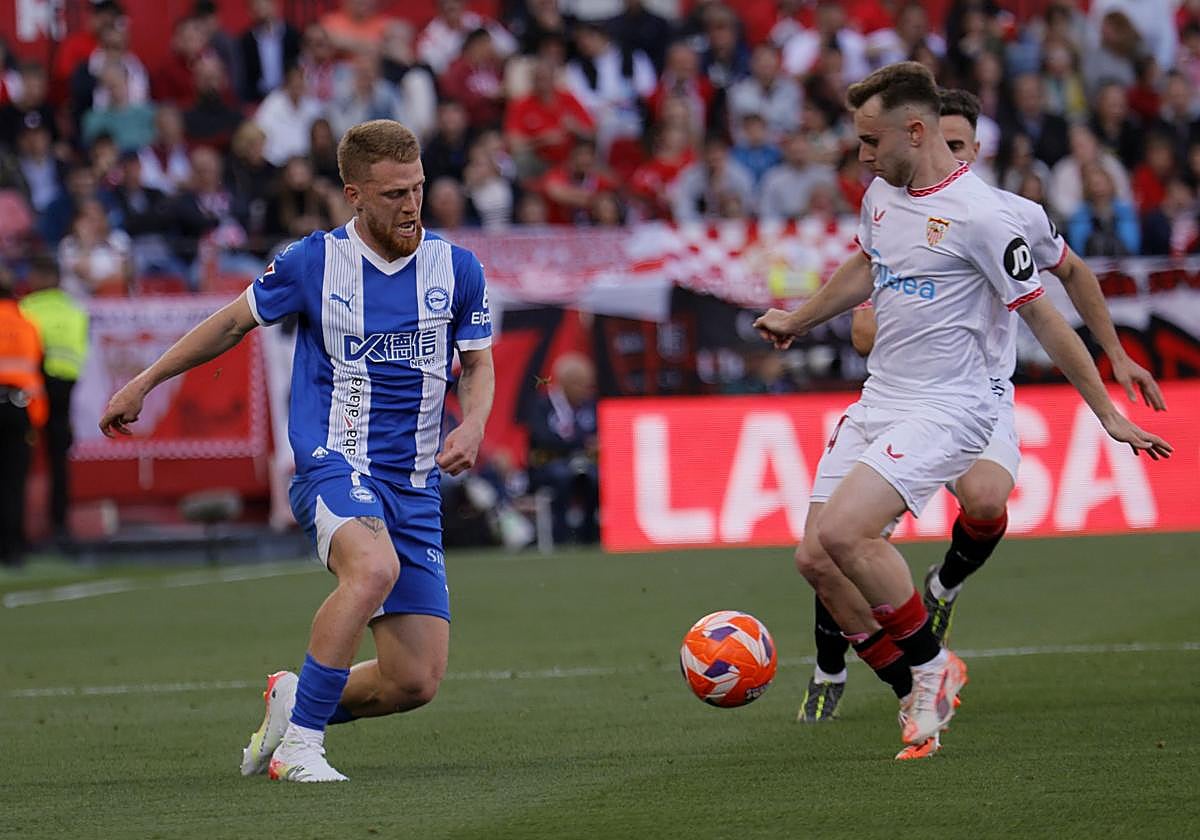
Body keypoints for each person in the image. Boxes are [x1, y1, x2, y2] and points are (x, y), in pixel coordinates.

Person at [752, 62, 1171, 761]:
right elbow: (866, 263)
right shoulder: (882, 195)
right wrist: (800, 317)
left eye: (868, 139)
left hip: (951, 405)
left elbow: (1045, 317)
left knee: (854, 533)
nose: (860, 154)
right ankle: (915, 678)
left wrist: (1105, 409)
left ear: (913, 132)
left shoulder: (985, 218)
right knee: (815, 557)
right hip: (882, 397)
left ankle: (930, 666)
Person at [99, 119, 495, 782]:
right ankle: (300, 749)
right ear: (354, 194)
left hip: (416, 483)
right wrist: (145, 380)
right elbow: (230, 323)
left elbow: (477, 363)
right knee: (370, 571)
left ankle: (295, 699)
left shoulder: (456, 268)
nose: (411, 205)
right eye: (395, 193)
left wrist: (475, 422)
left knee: (413, 680)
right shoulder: (314, 262)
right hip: (336, 462)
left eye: (418, 188)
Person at [19, 255, 89, 543]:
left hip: (32, 391)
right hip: (65, 389)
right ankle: (59, 527)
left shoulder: (26, 309)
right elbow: (80, 352)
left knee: (18, 461)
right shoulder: (75, 310)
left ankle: (17, 532)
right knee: (59, 461)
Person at [526, 352, 599, 545]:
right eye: (580, 384)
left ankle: (589, 534)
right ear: (565, 383)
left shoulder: (590, 406)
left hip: (584, 463)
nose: (585, 390)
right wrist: (579, 443)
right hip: (549, 464)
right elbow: (542, 438)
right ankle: (560, 535)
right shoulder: (543, 405)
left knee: (595, 478)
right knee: (561, 477)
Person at [0, 269, 47, 567]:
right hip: (19, 410)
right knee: (14, 482)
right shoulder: (27, 325)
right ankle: (14, 548)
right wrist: (36, 420)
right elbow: (34, 373)